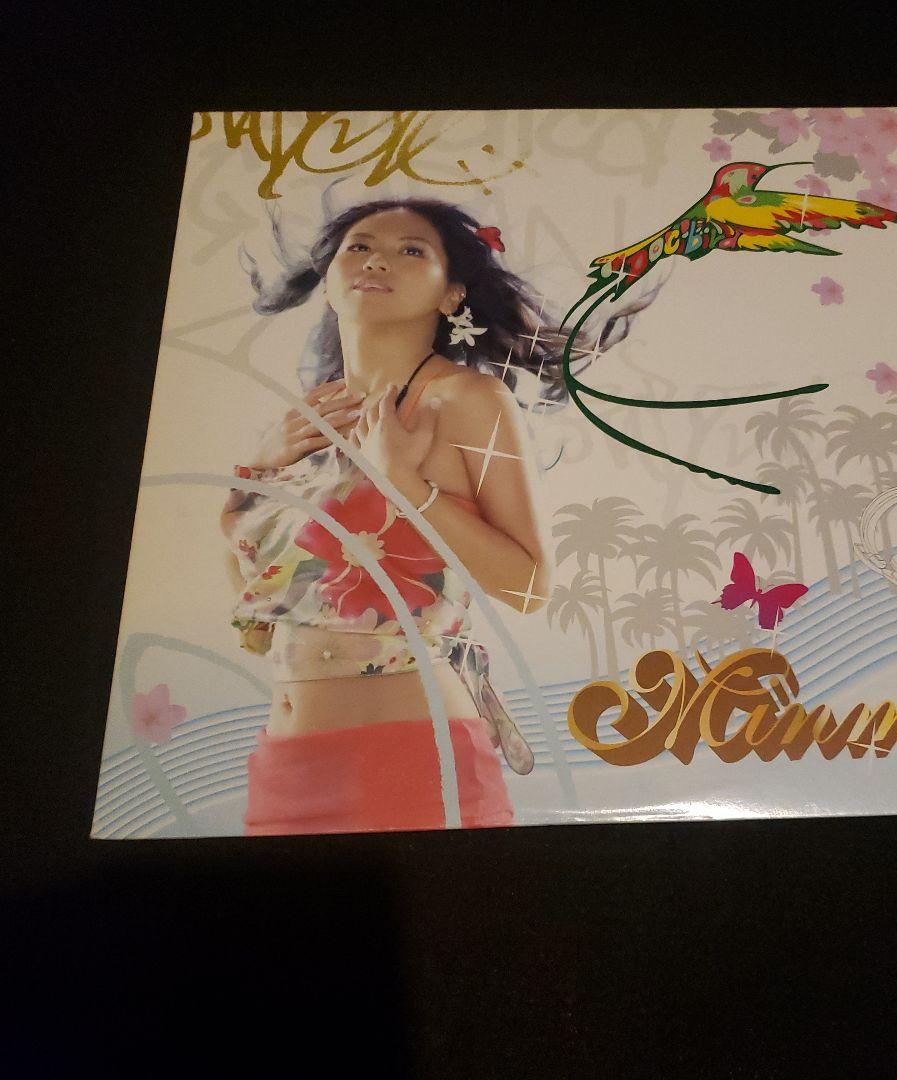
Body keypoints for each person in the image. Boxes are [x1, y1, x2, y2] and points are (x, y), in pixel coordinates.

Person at [220, 196, 655, 836]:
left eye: (410, 250)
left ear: (451, 294)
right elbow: (261, 599)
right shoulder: (308, 417)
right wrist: (255, 473)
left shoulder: (465, 399)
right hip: (286, 765)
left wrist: (402, 482)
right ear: (330, 280)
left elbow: (529, 586)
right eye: (359, 246)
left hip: (411, 758)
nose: (377, 261)